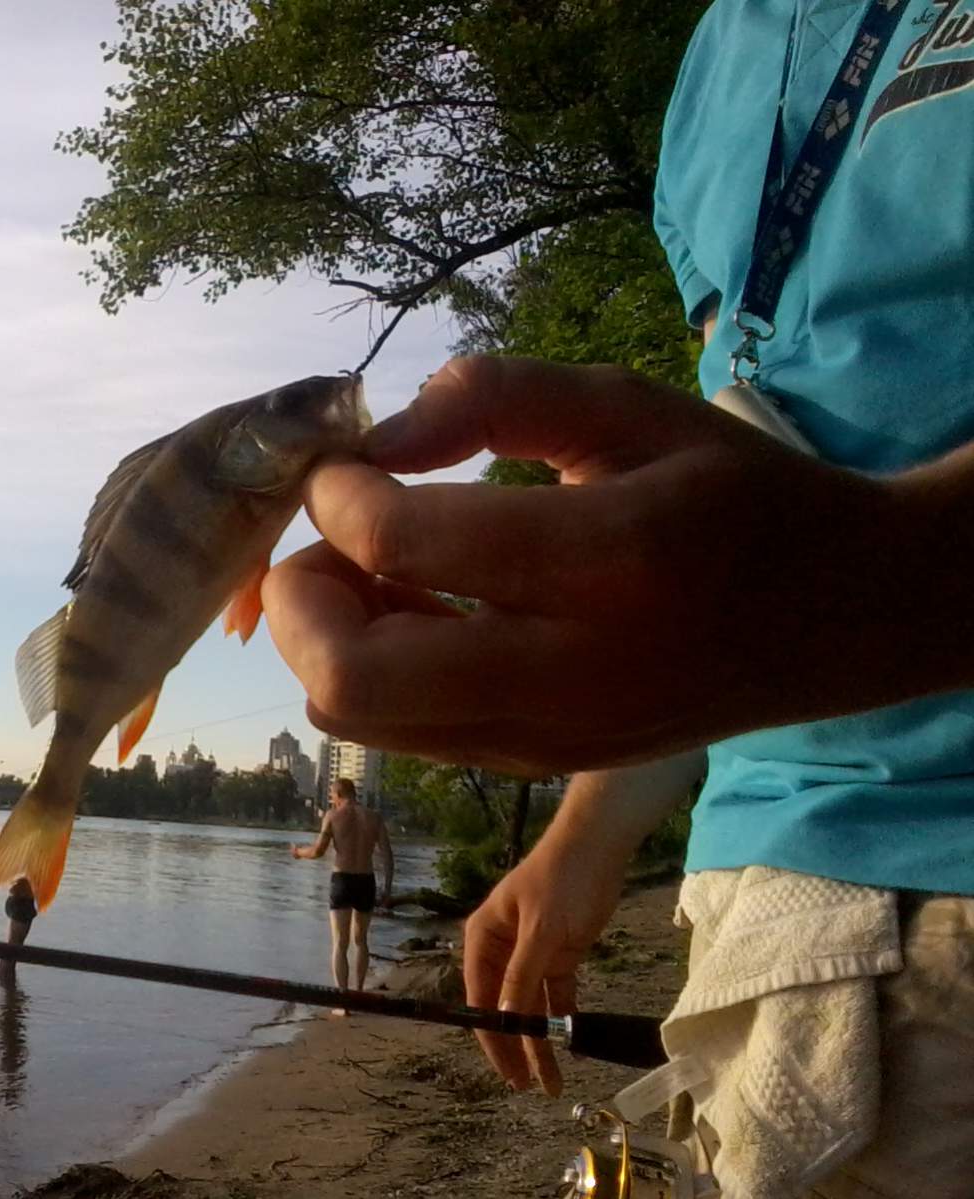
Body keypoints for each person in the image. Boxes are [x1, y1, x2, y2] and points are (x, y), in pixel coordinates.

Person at [261, 4, 974, 1194]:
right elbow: (755, 466)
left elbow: (798, 590)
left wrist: (880, 589)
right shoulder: (722, 55)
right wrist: (587, 831)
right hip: (764, 899)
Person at [290, 778, 394, 1004]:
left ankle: (342, 1001)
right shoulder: (374, 817)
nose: (331, 799)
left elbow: (318, 851)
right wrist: (387, 887)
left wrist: (298, 853)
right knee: (361, 940)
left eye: (332, 795)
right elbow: (387, 854)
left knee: (340, 942)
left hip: (342, 880)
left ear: (338, 794)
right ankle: (359, 992)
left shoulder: (332, 816)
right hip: (366, 880)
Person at [0, 877, 37, 986]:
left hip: (15, 898)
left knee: (12, 947)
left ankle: (6, 987)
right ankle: (7, 987)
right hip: (22, 901)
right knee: (13, 949)